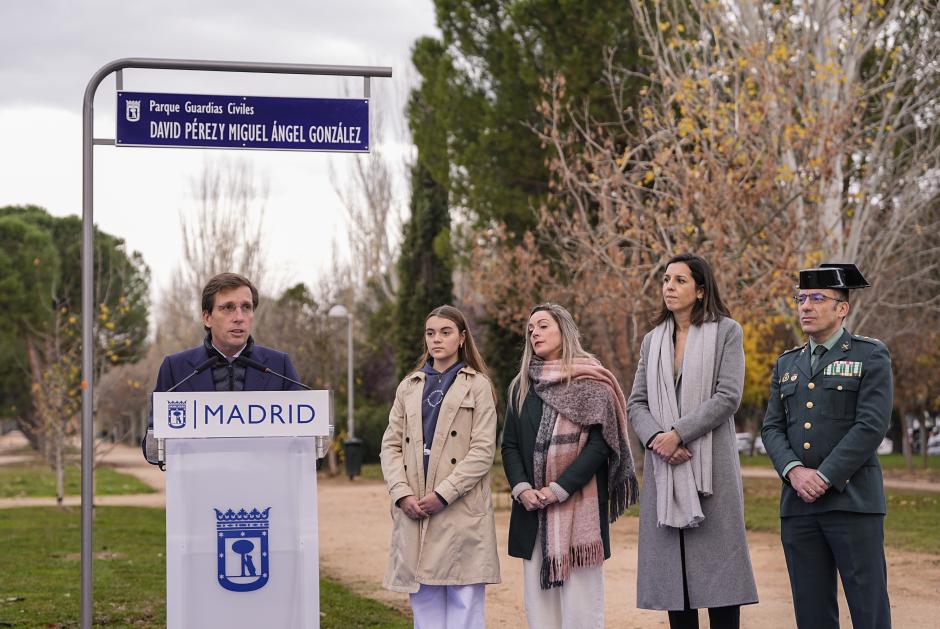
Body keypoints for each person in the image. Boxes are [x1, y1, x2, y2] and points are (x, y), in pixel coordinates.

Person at [627, 253, 758, 629]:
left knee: (720, 584)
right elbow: (636, 401)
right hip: (664, 470)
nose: (669, 286)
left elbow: (728, 396)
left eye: (680, 280)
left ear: (700, 290)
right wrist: (657, 438)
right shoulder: (652, 342)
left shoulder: (727, 332)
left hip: (710, 471)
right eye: (666, 279)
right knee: (676, 584)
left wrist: (678, 434)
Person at [761, 263, 893, 628]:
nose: (805, 306)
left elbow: (871, 425)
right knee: (812, 613)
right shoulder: (787, 362)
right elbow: (772, 427)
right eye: (801, 298)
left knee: (869, 610)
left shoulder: (870, 355)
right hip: (798, 507)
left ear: (842, 308)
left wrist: (824, 475)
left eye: (817, 298)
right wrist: (794, 472)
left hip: (852, 504)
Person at [502, 303, 637, 629]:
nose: (535, 333)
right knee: (541, 614)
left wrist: (559, 489)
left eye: (543, 326)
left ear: (564, 330)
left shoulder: (593, 382)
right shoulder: (522, 387)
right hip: (532, 513)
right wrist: (523, 490)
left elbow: (601, 444)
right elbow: (509, 446)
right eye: (531, 329)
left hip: (579, 515)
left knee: (582, 612)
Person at [380, 305, 500, 629]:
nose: (437, 339)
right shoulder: (409, 386)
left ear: (461, 338)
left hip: (458, 508)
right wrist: (401, 493)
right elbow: (390, 444)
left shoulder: (478, 385)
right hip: (415, 506)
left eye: (445, 332)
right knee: (425, 602)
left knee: (465, 601)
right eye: (430, 333)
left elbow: (482, 451)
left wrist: (443, 494)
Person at [141, 272, 301, 462]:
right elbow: (152, 446)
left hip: (263, 487)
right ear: (207, 318)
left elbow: (303, 440)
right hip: (199, 486)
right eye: (228, 308)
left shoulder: (279, 366)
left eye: (246, 307)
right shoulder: (176, 369)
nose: (239, 317)